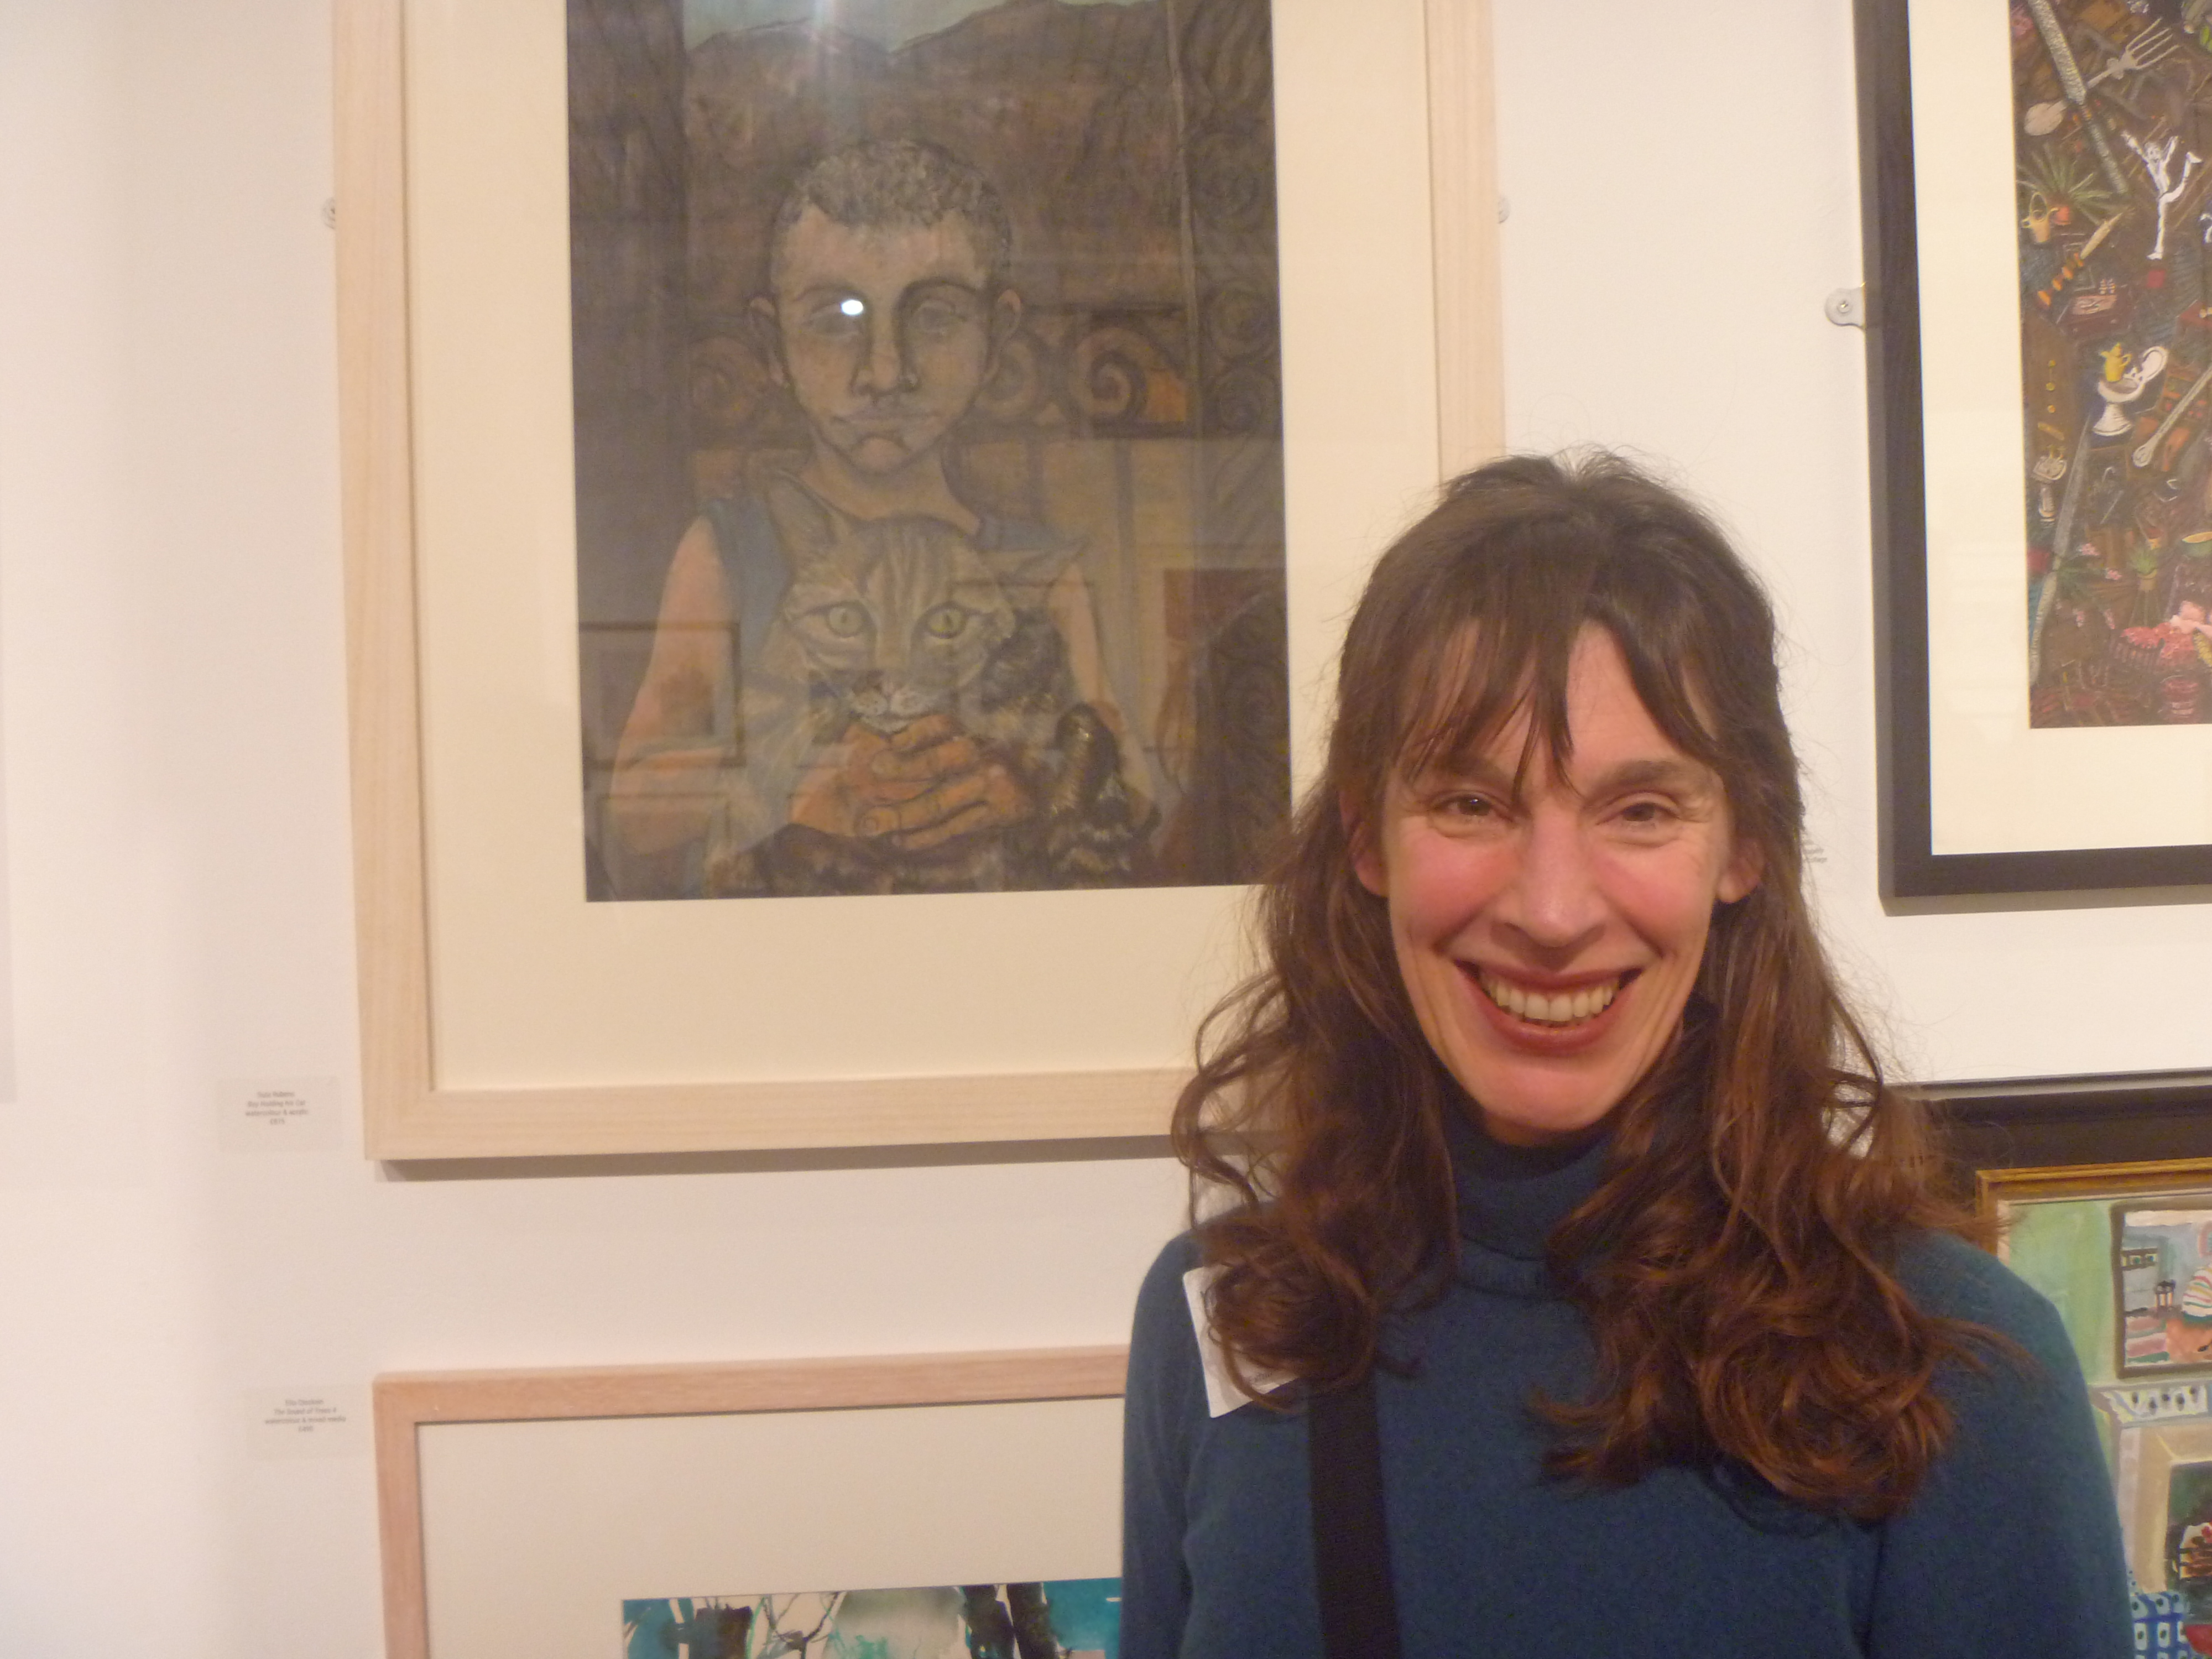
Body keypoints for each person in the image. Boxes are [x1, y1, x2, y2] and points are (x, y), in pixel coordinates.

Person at [1121, 451, 2133, 1656]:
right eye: (1471, 804)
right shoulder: (1231, 1315)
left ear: (1742, 849)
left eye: (1640, 810)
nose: (1552, 912)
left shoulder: (1951, 1368)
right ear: (1366, 838)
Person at [607, 137, 1151, 898]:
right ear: (773, 345)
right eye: (836, 318)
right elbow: (633, 810)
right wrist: (794, 786)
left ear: (996, 338)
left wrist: (1031, 789)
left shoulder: (1043, 570)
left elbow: (1137, 798)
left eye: (936, 318)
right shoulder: (729, 550)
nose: (886, 373)